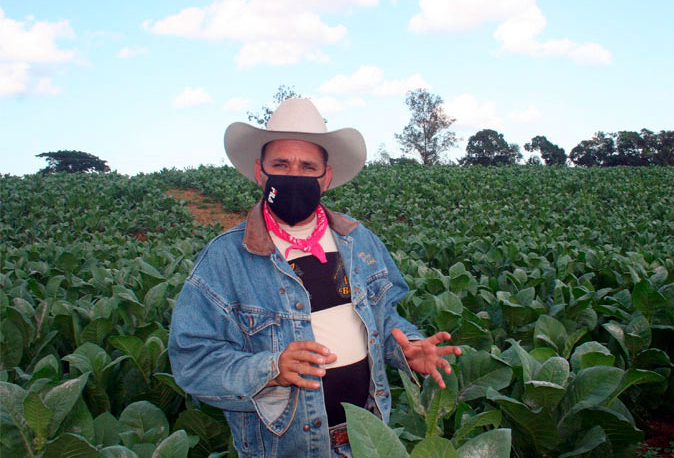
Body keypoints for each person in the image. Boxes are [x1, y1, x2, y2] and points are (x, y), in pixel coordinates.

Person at [168, 97, 461, 458]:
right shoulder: (226, 258)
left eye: (308, 167)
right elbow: (193, 361)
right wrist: (271, 369)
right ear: (261, 172)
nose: (294, 175)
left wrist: (406, 349)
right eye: (281, 164)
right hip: (284, 448)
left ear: (326, 177)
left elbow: (383, 321)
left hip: (366, 440)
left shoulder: (358, 241)